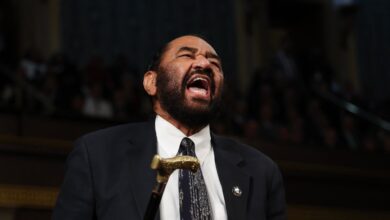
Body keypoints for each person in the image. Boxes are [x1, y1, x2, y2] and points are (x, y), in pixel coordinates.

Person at [52, 35, 286, 220]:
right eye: (186, 55)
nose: (205, 64)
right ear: (151, 82)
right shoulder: (97, 155)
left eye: (215, 63)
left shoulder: (261, 171)